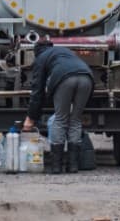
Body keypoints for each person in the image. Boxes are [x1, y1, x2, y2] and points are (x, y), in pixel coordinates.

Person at [22, 40, 94, 174]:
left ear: (36, 51)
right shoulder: (63, 51)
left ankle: (56, 166)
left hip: (65, 79)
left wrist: (31, 117)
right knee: (75, 120)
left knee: (60, 119)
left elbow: (37, 90)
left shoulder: (41, 58)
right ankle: (73, 166)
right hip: (86, 77)